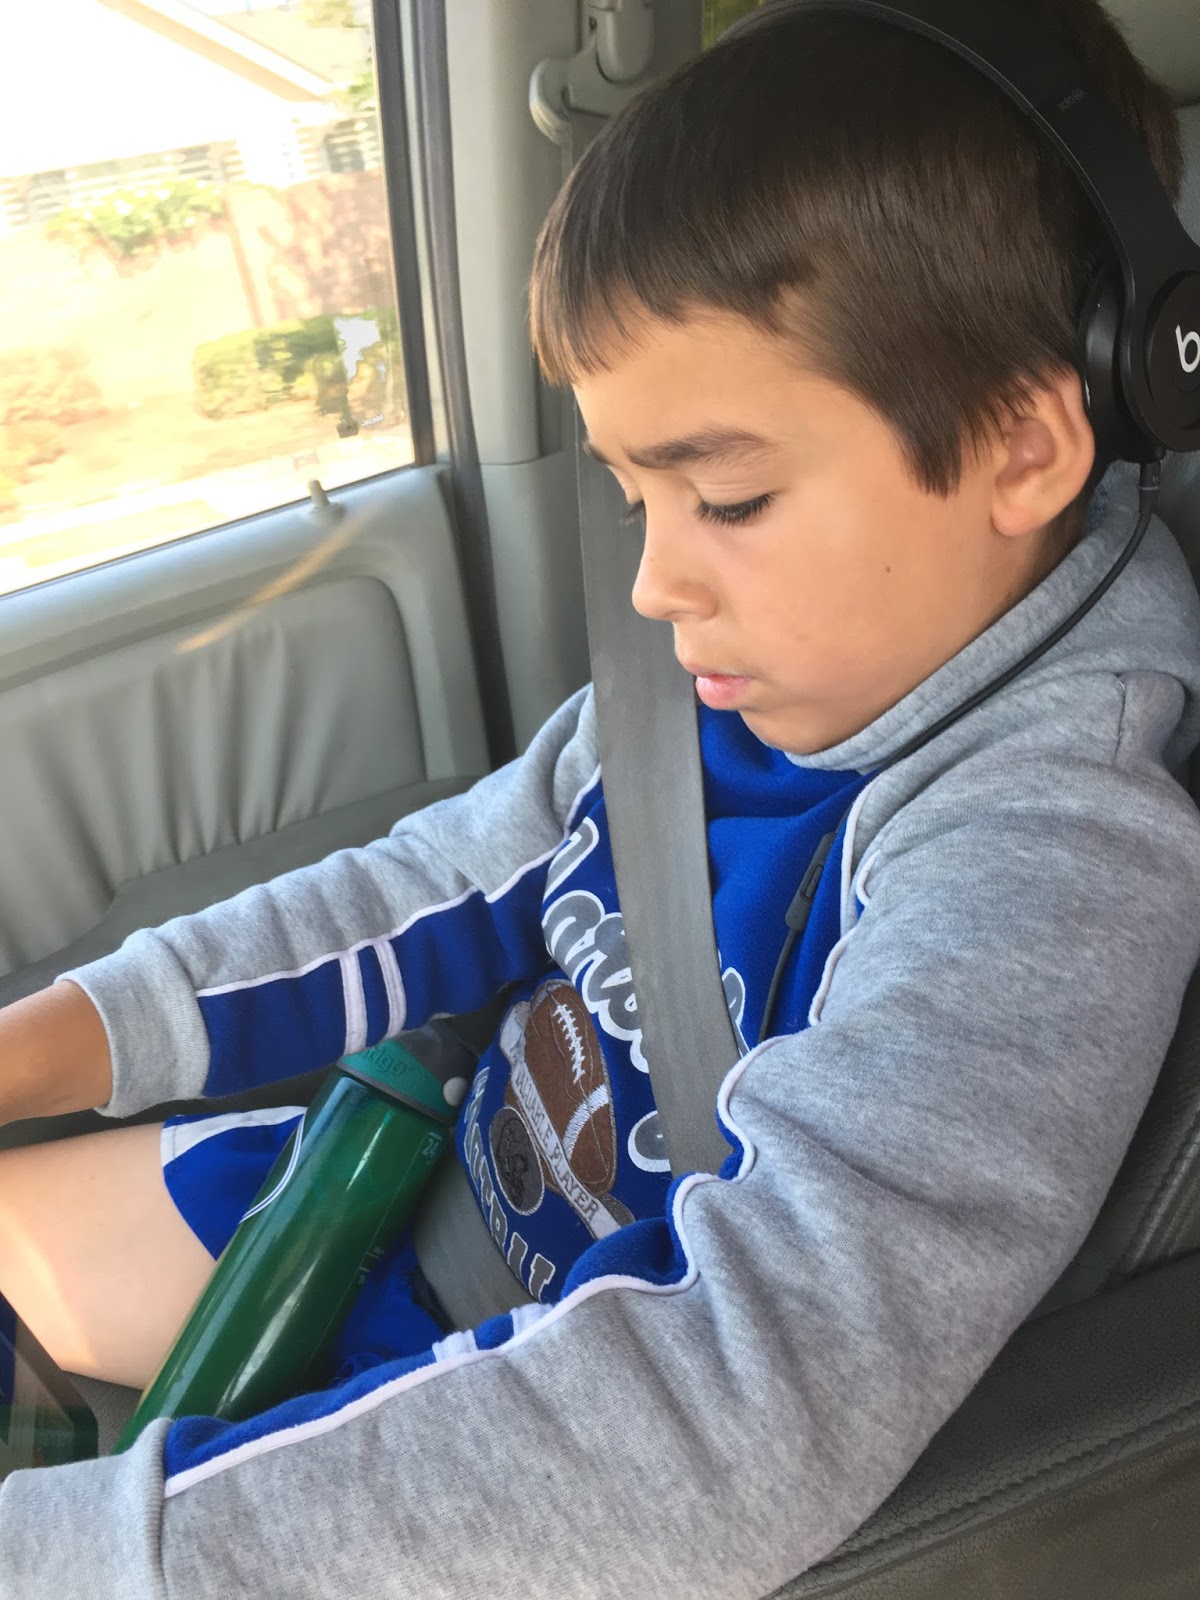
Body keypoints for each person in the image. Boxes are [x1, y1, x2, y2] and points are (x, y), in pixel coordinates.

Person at [1, 1, 1198, 1594]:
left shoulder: (1052, 859)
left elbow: (741, 1396)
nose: (652, 585)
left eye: (728, 498)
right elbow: (430, 885)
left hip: (562, 1396)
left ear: (1023, 445)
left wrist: (98, 1551)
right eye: (635, 498)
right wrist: (44, 1041)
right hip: (399, 1202)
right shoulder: (755, 670)